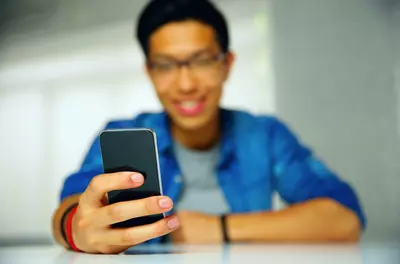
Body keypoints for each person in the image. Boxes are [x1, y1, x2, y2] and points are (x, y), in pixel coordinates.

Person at [52, 0, 366, 254]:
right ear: (149, 72)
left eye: (202, 61)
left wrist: (218, 229)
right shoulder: (121, 134)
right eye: (165, 65)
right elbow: (68, 210)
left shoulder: (265, 135)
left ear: (226, 65)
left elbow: (343, 219)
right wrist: (76, 229)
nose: (186, 84)